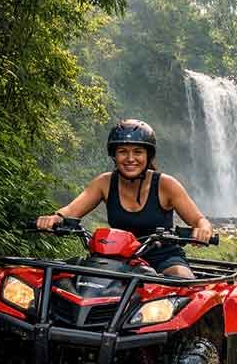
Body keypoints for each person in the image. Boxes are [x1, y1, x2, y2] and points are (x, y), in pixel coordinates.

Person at [36, 119, 213, 278]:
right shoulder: (104, 182)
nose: (130, 159)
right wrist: (54, 218)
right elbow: (71, 211)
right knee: (71, 283)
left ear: (148, 155)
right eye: (123, 152)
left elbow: (198, 219)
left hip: (163, 258)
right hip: (117, 258)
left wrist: (203, 230)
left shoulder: (166, 184)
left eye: (137, 152)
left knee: (182, 279)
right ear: (114, 155)